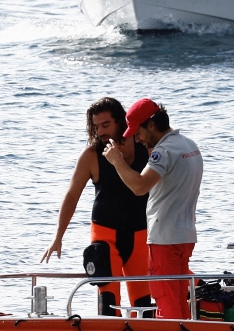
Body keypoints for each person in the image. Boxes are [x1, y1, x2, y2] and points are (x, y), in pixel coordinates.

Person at [41, 98, 152, 316]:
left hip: (140, 234)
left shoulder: (144, 149)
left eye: (105, 125)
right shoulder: (91, 155)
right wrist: (58, 236)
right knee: (108, 303)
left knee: (143, 304)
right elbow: (72, 196)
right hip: (105, 236)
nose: (100, 131)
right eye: (96, 126)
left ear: (121, 121)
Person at [104, 99, 203, 319]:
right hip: (185, 234)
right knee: (178, 297)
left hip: (164, 239)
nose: (136, 138)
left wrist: (117, 161)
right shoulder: (189, 145)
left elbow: (139, 186)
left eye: (138, 132)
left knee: (166, 299)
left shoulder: (164, 151)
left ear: (151, 125)